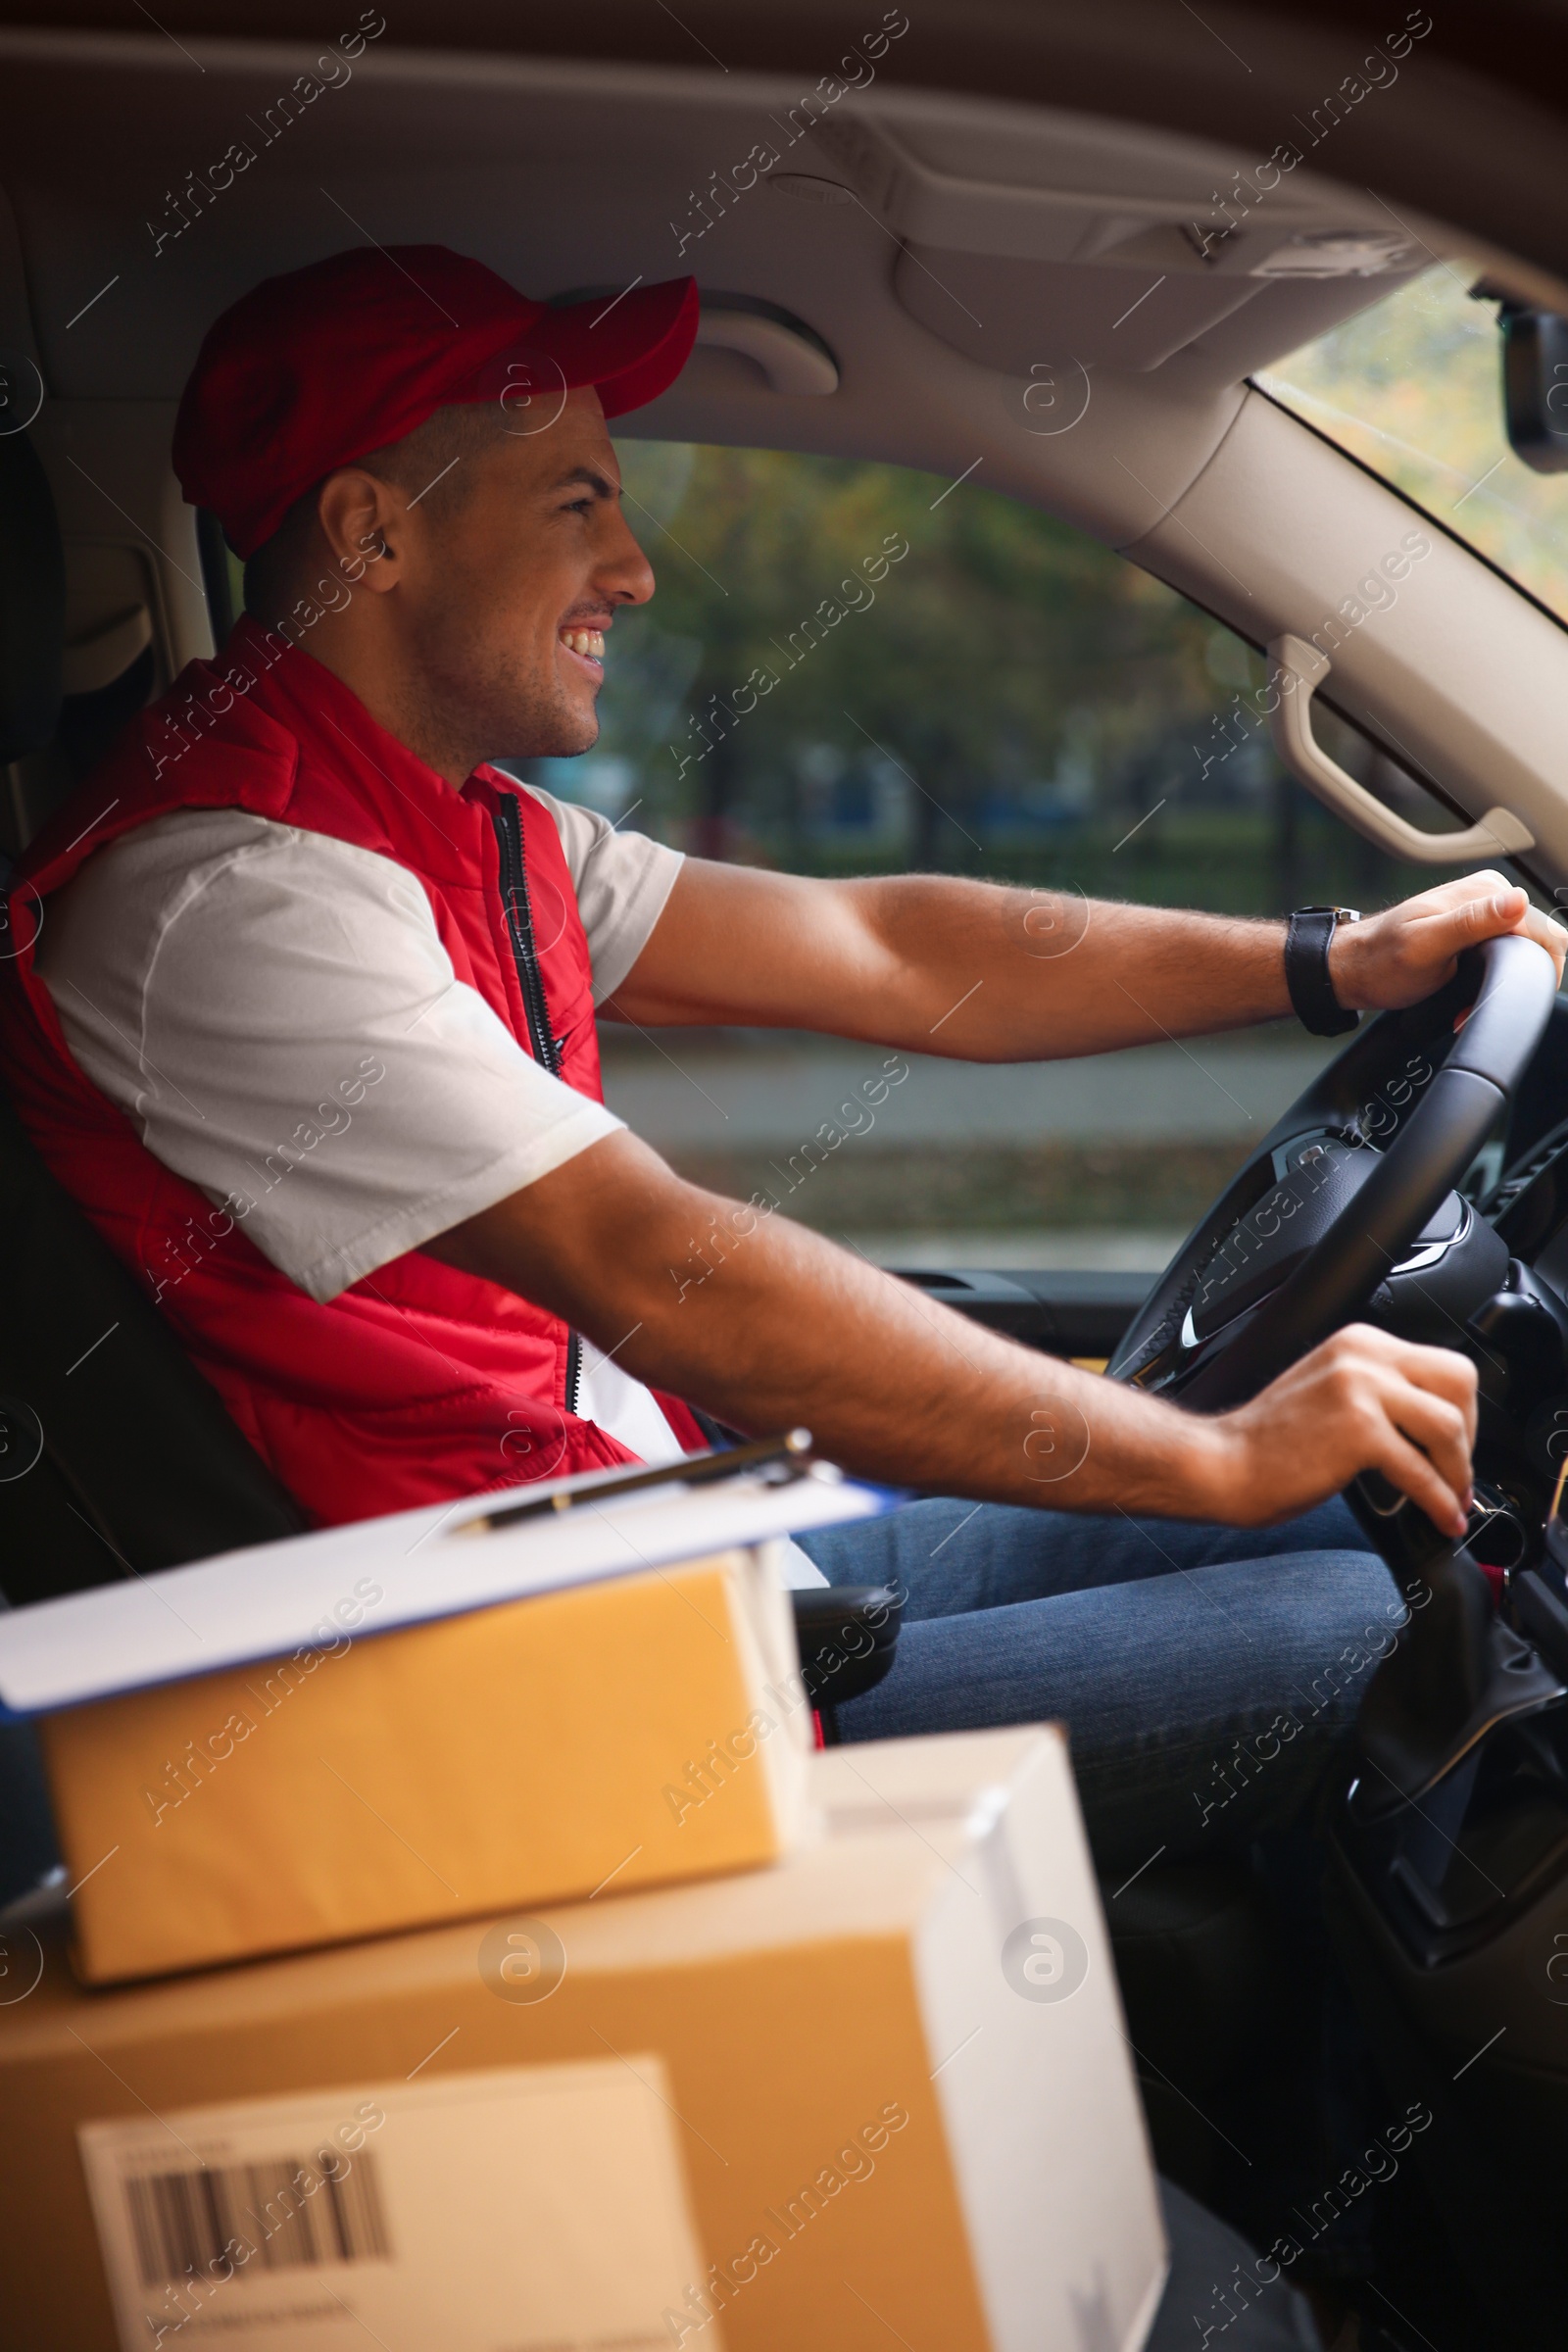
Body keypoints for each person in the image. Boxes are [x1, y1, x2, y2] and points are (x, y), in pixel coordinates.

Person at [3, 245, 1561, 1893]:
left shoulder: (445, 821)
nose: (637, 568)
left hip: (651, 1558)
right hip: (526, 1713)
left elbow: (891, 948)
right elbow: (664, 1267)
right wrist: (1214, 1455)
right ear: (374, 531)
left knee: (1379, 1519)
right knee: (1366, 1621)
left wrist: (1322, 964)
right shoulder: (231, 903)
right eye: (575, 503)